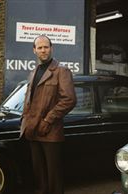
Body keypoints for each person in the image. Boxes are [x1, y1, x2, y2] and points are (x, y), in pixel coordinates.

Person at [21, 35, 77, 194]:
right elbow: (29, 100)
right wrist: (25, 120)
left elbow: (69, 100)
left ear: (51, 48)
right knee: (40, 176)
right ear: (34, 50)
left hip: (50, 131)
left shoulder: (61, 71)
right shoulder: (33, 72)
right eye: (39, 47)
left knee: (54, 176)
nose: (43, 50)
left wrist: (47, 120)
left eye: (46, 47)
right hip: (32, 130)